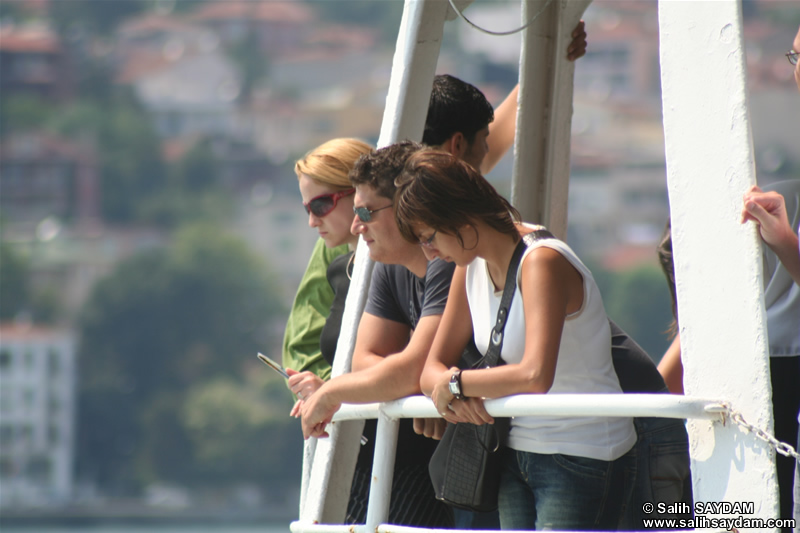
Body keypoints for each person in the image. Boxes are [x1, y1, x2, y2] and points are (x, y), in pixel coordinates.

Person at [395, 149, 635, 530]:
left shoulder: (541, 261)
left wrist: (456, 385)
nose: (429, 251)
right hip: (513, 449)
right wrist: (449, 388)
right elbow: (430, 371)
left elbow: (536, 375)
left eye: (429, 237)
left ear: (457, 216)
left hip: (580, 451)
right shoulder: (468, 266)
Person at [282, 138, 372, 389]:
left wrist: (330, 392)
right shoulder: (338, 268)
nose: (312, 221)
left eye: (320, 205)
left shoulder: (406, 265)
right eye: (307, 209)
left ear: (360, 193)